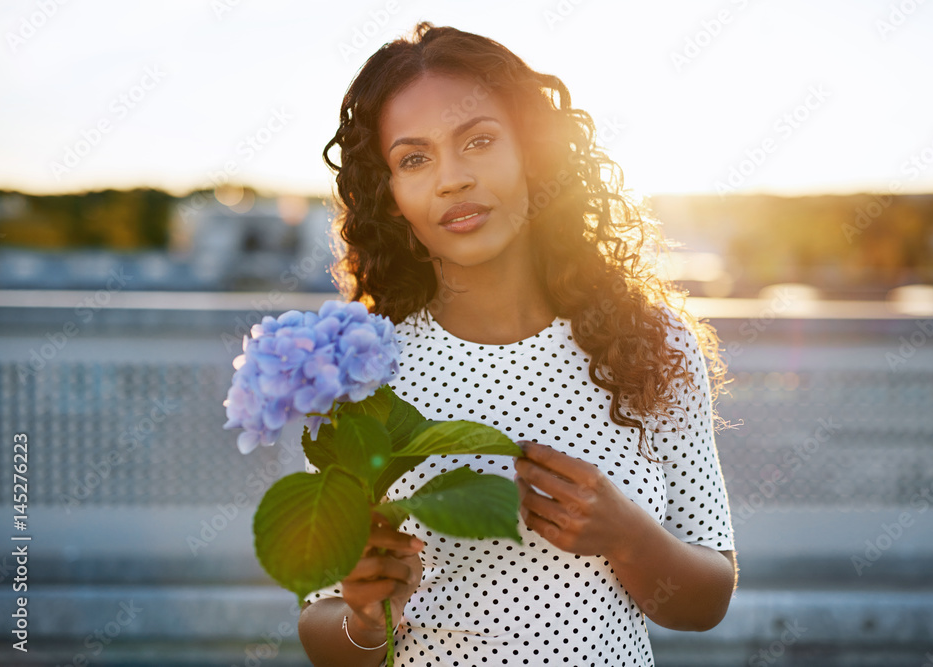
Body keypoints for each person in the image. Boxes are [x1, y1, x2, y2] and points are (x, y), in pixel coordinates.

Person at [297, 22, 737, 667]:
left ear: (533, 152)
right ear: (390, 197)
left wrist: (630, 538)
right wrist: (367, 615)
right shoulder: (357, 368)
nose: (452, 179)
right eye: (414, 159)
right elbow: (323, 627)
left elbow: (707, 600)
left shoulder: (651, 343)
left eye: (478, 141)